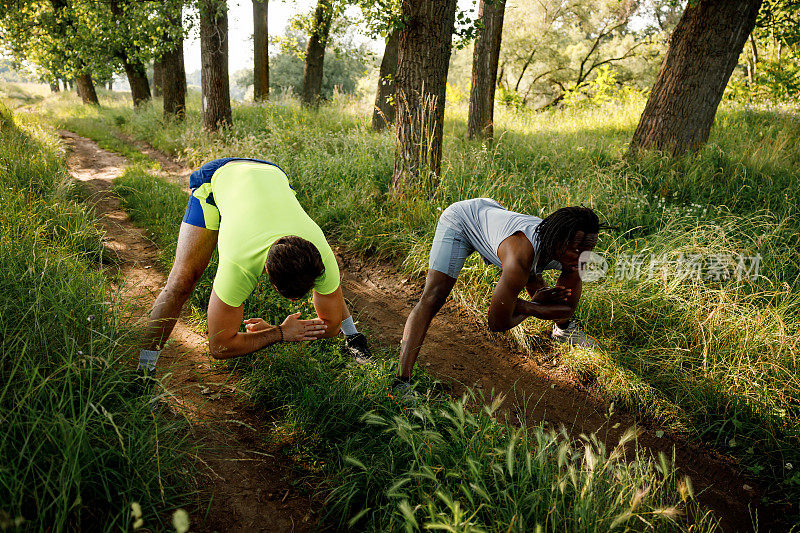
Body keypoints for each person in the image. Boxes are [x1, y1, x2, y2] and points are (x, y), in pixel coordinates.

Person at [136, 158, 374, 379]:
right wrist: (279, 333)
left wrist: (278, 331)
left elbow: (330, 326)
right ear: (267, 274)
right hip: (218, 175)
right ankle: (144, 371)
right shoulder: (239, 264)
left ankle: (353, 336)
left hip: (272, 174)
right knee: (182, 281)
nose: (293, 302)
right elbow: (219, 346)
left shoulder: (322, 256)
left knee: (331, 286)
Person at [393, 198, 602, 399]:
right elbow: (496, 323)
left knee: (535, 278)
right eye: (576, 249)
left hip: (491, 212)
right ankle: (400, 383)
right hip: (462, 221)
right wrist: (531, 306)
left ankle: (563, 331)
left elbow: (566, 308)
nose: (582, 256)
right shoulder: (520, 254)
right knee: (433, 297)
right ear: (558, 241)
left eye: (588, 249)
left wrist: (527, 305)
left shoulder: (574, 253)